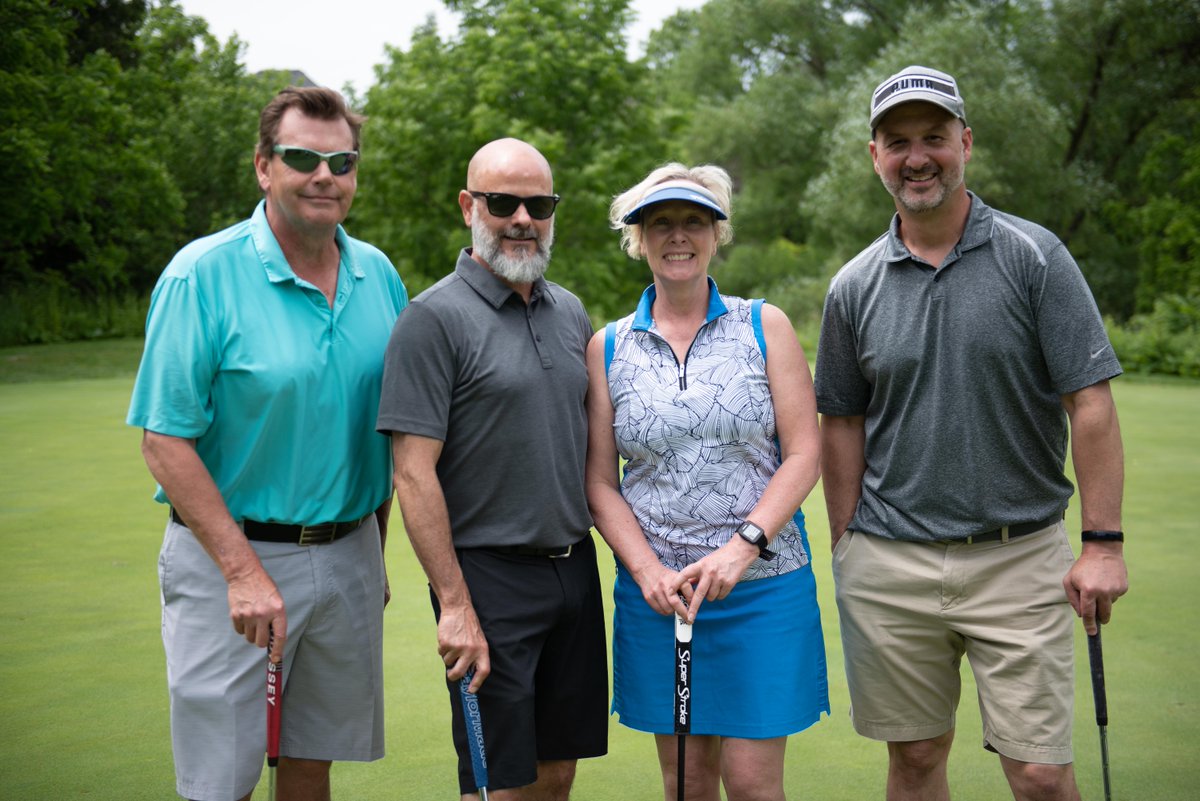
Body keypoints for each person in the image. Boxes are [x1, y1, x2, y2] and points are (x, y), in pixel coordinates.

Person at [815, 65, 1129, 801]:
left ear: (966, 142)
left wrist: (1103, 543)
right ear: (874, 157)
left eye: (934, 137)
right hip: (891, 565)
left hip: (1018, 559)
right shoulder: (852, 286)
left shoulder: (1035, 257)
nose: (917, 157)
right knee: (917, 758)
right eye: (898, 142)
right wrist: (849, 545)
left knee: (1041, 774)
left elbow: (1090, 402)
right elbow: (843, 420)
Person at [127, 86, 407, 801]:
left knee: (314, 764)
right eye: (302, 158)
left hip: (347, 557)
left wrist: (372, 551)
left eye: (340, 160)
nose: (324, 175)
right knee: (222, 781)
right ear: (263, 166)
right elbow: (165, 439)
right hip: (231, 566)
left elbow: (384, 431)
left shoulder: (381, 276)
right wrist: (243, 571)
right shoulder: (202, 274)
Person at [586, 164, 829, 801]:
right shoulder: (608, 347)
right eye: (660, 223)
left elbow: (805, 453)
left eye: (694, 221)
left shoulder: (763, 325)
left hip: (762, 587)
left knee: (751, 784)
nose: (677, 236)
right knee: (688, 782)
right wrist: (646, 572)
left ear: (716, 234)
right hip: (659, 595)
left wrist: (744, 544)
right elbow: (600, 483)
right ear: (637, 238)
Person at [377, 138, 608, 800]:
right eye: (502, 202)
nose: (522, 218)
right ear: (468, 205)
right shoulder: (431, 320)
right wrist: (453, 604)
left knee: (557, 772)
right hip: (486, 579)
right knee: (498, 783)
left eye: (539, 204)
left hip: (573, 568)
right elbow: (413, 473)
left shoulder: (569, 312)